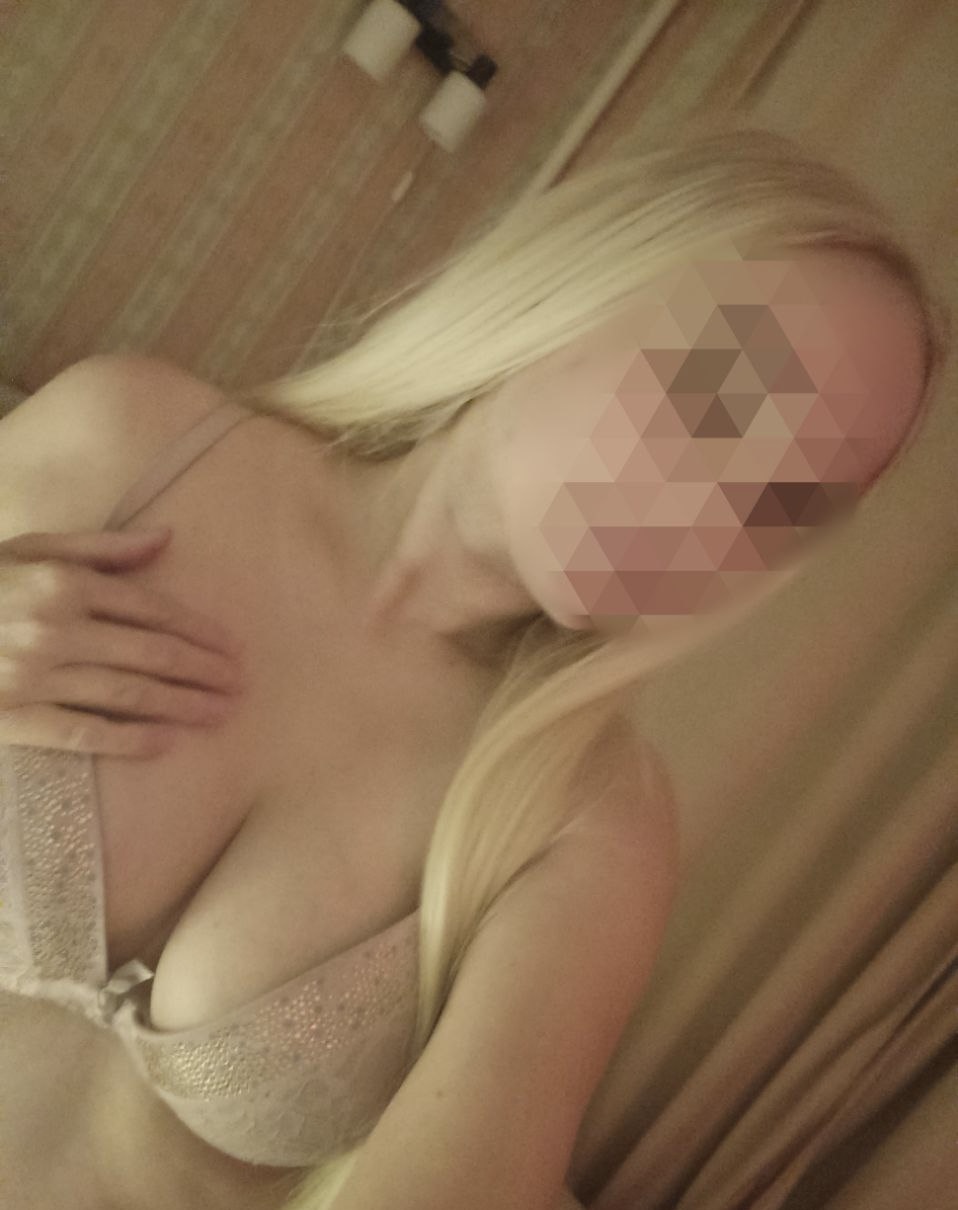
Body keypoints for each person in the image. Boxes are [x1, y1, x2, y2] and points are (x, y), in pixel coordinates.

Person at [0, 120, 949, 1210]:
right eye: (720, 400)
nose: (716, 516)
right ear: (589, 278)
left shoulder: (587, 817)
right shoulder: (132, 444)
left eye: (785, 503)